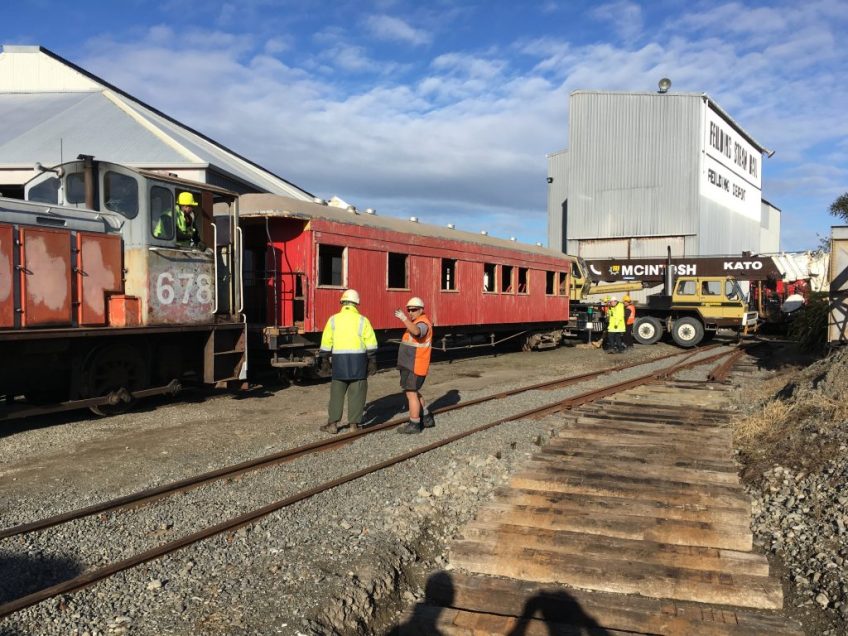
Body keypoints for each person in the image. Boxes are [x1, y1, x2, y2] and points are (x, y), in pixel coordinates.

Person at [317, 289, 378, 434]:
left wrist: (324, 360)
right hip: (358, 362)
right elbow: (371, 343)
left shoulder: (333, 319)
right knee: (357, 393)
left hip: (339, 363)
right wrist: (372, 360)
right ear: (356, 303)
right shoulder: (363, 320)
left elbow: (326, 342)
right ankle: (354, 426)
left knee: (336, 393)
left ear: (342, 303)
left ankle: (332, 424)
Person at [395, 296, 434, 434]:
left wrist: (403, 318)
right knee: (413, 392)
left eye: (414, 310)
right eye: (409, 310)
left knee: (411, 394)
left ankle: (414, 424)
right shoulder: (416, 321)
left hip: (416, 365)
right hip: (410, 365)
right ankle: (427, 417)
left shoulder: (423, 323)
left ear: (421, 310)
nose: (410, 312)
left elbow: (417, 332)